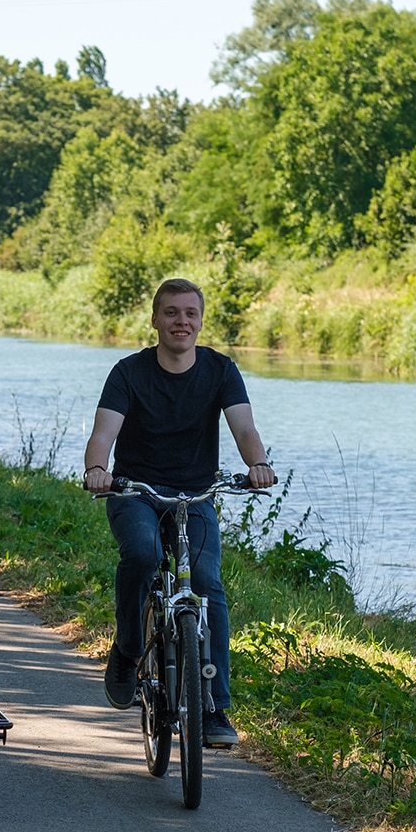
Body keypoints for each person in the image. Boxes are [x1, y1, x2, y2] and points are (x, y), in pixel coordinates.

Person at [81, 278, 277, 748]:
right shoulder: (128, 372)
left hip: (196, 494)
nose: (181, 322)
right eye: (171, 313)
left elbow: (244, 426)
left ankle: (214, 709)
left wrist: (258, 463)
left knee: (207, 583)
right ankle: (128, 649)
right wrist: (96, 468)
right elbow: (103, 433)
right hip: (136, 492)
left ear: (201, 320)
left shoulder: (220, 369)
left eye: (190, 313)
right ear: (155, 319)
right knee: (144, 555)